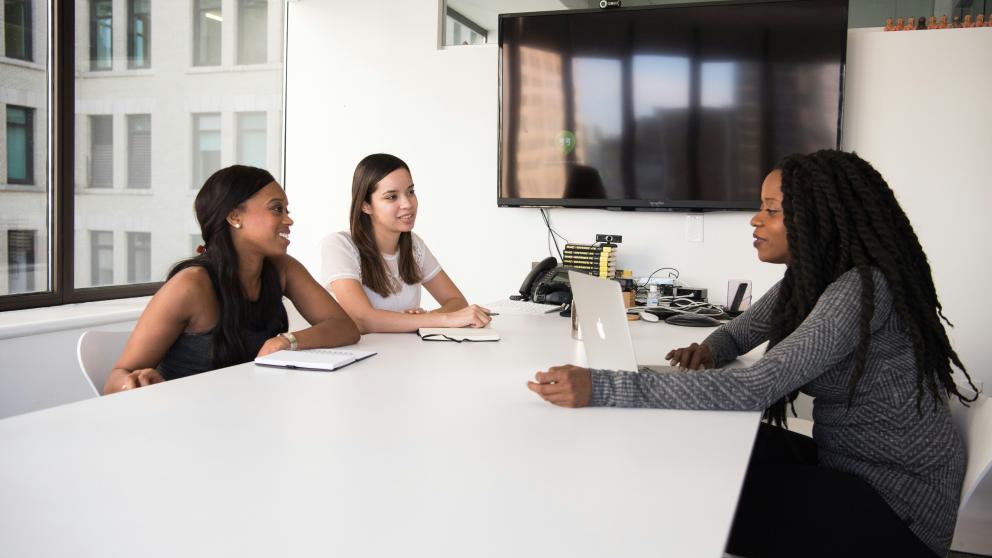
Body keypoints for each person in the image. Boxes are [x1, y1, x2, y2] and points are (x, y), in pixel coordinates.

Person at [527, 150, 978, 557]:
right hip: (846, 462)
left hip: (896, 509)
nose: (755, 220)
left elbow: (756, 387)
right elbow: (738, 334)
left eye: (771, 210)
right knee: (697, 446)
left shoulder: (861, 289)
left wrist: (603, 386)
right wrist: (709, 350)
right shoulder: (810, 282)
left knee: (687, 494)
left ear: (818, 218)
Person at [104, 166, 360, 394]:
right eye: (276, 209)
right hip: (189, 419)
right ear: (235, 216)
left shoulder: (283, 268)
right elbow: (115, 380)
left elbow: (344, 327)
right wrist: (133, 382)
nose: (288, 219)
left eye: (286, 210)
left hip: (250, 410)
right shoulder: (191, 285)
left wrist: (287, 341)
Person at [321, 153, 491, 333]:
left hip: (406, 349)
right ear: (365, 205)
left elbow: (457, 301)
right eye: (391, 197)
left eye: (410, 192)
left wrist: (422, 319)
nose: (408, 204)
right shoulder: (339, 245)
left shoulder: (414, 245)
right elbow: (363, 319)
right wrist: (438, 319)